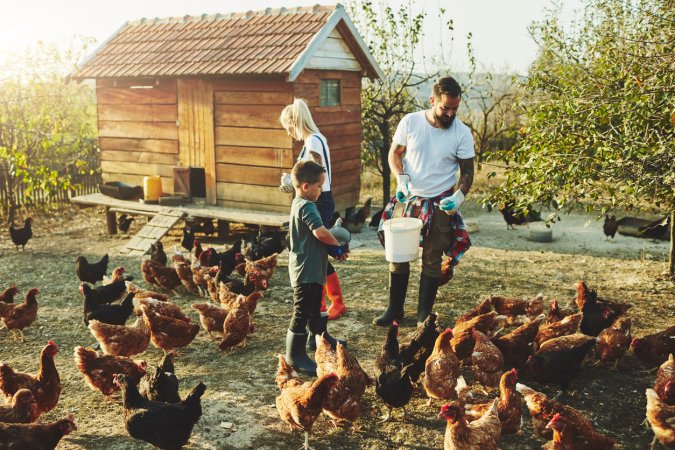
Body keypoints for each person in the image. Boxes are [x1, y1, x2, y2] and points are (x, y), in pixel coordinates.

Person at [373, 76, 474, 327]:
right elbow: (395, 153)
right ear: (432, 101)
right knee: (398, 253)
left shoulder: (462, 133)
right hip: (408, 197)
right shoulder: (411, 122)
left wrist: (458, 197)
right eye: (445, 108)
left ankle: (422, 317)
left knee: (432, 258)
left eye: (454, 109)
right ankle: (394, 310)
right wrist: (401, 178)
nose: (450, 114)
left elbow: (468, 172)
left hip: (440, 201)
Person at [279, 99, 348, 325]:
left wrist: (293, 181)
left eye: (287, 127)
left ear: (293, 122)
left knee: (314, 254)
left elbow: (318, 174)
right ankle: (325, 303)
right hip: (317, 199)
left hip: (318, 201)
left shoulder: (313, 142)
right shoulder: (312, 140)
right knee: (315, 254)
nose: (288, 132)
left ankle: (329, 304)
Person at [284, 160, 347, 376]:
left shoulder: (300, 203)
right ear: (305, 187)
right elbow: (320, 233)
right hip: (305, 270)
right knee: (302, 311)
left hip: (312, 267)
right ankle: (295, 356)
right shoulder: (306, 206)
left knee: (314, 308)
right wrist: (337, 244)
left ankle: (320, 337)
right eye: (319, 186)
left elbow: (318, 236)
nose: (321, 190)